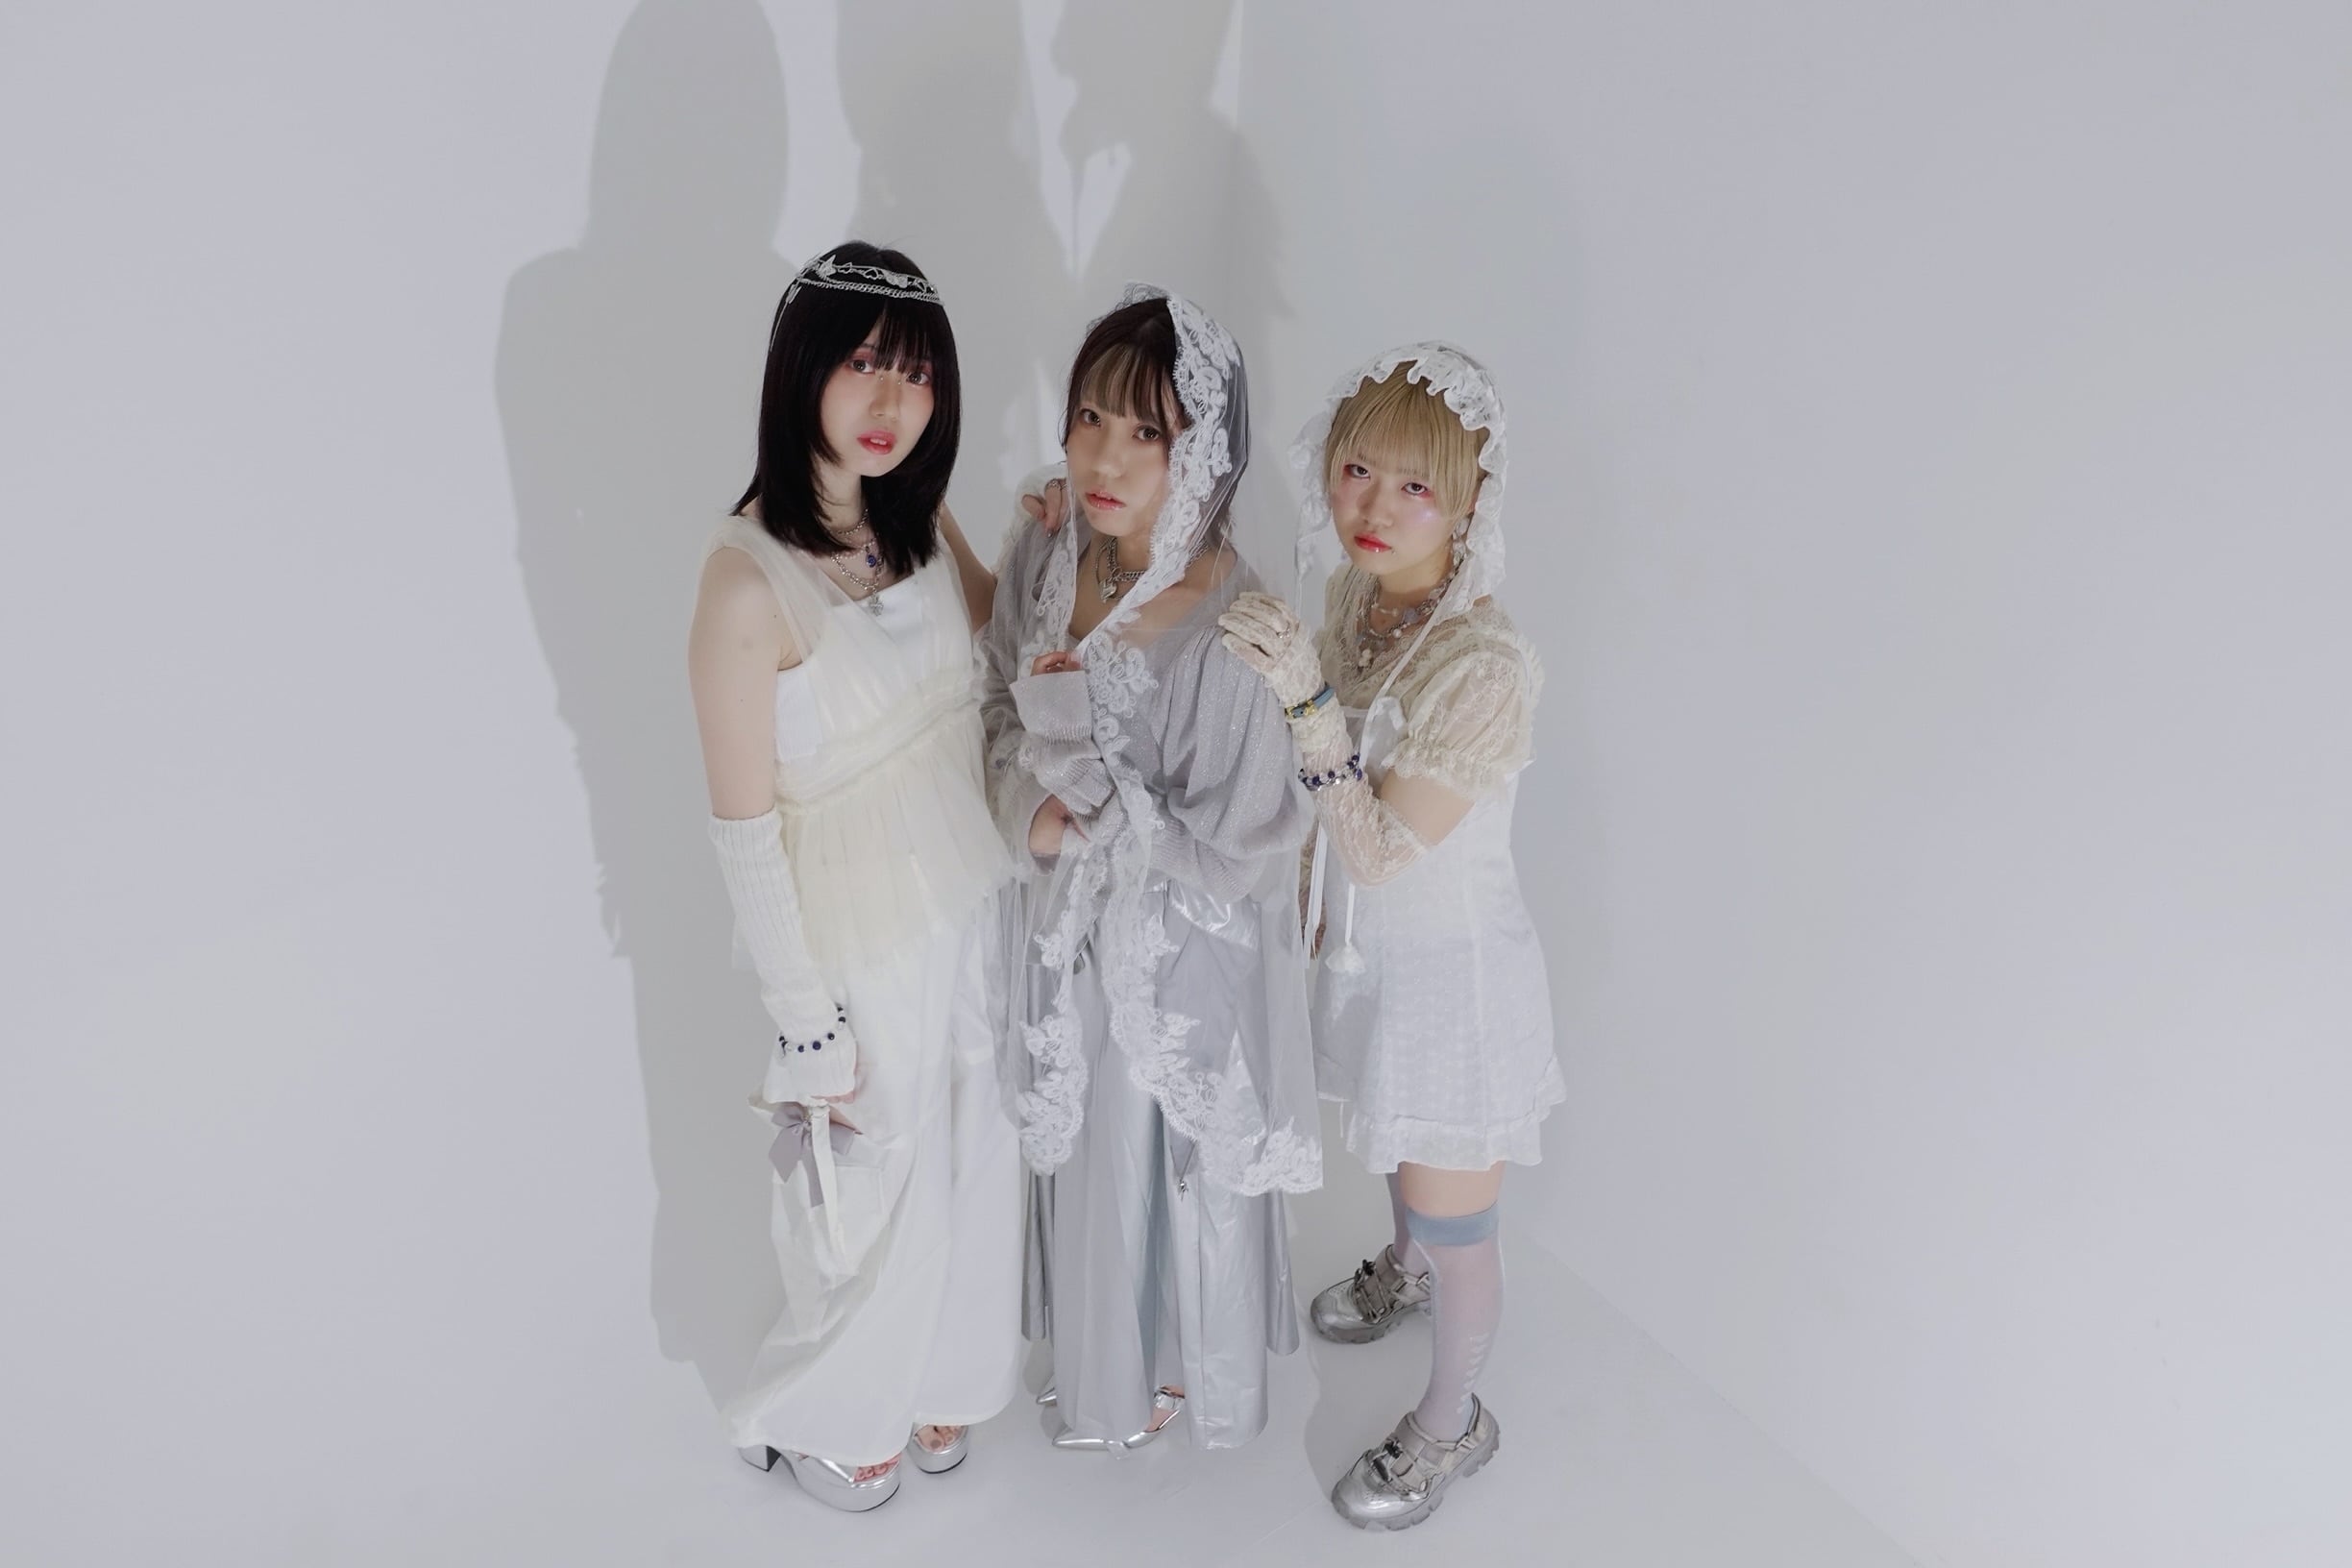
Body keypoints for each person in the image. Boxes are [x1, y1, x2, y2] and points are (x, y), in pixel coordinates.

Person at [686, 242, 1018, 1512]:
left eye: (918, 374)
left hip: (967, 876)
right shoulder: (744, 584)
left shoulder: (914, 515)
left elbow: (998, 634)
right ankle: (825, 1408)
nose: (892, 402)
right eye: (865, 364)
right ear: (804, 369)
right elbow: (742, 829)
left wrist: (1062, 542)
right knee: (875, 1168)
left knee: (977, 1134)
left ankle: (944, 1373)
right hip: (852, 922)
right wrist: (803, 1018)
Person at [1218, 345, 1563, 1530]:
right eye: (1357, 469)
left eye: (1415, 486)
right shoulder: (1357, 604)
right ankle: (1402, 1269)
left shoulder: (1485, 665)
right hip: (1368, 962)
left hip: (1451, 983)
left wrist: (1307, 699)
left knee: (1458, 1219)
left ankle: (1453, 1421)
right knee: (1391, 1147)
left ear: (1468, 505)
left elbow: (1375, 848)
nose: (1372, 505)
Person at [980, 287, 1320, 1454]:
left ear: (1205, 452)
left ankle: (1159, 1370)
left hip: (1170, 962)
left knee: (1150, 1156)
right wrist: (1028, 810)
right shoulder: (1049, 545)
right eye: (1089, 418)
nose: (1103, 458)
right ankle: (1095, 1355)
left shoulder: (1237, 631)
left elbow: (1235, 855)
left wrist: (1084, 784)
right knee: (1078, 1154)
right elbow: (992, 701)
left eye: (1148, 433)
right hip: (1058, 930)